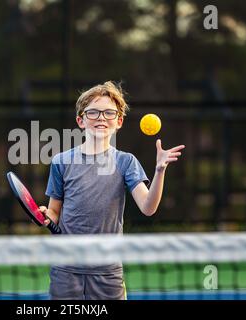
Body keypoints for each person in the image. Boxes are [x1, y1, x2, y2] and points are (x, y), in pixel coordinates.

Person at [39, 81, 185, 300]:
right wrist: (43, 215)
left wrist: (159, 170)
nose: (101, 118)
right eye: (93, 112)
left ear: (119, 121)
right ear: (81, 120)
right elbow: (53, 213)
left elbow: (148, 208)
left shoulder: (126, 162)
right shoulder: (61, 161)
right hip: (66, 269)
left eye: (109, 113)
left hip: (108, 271)